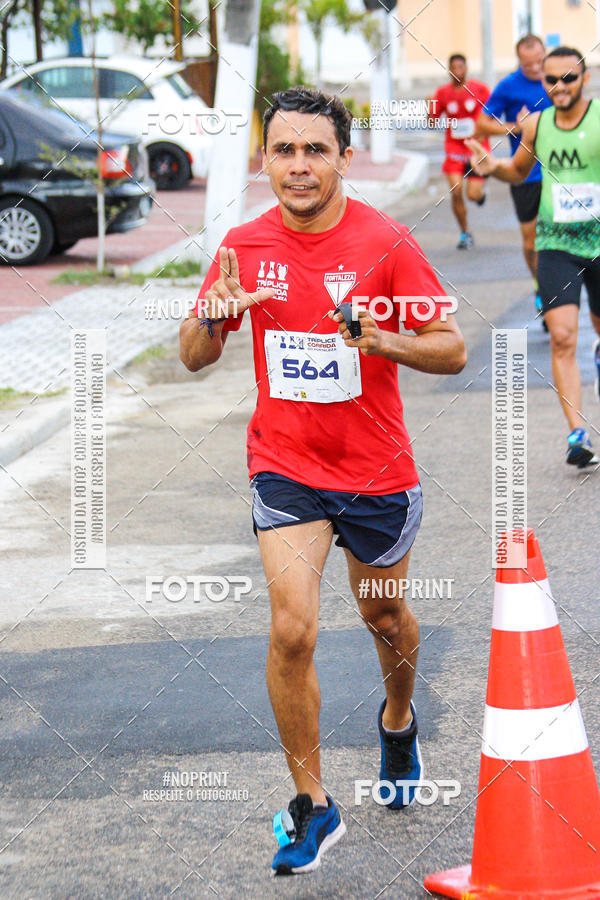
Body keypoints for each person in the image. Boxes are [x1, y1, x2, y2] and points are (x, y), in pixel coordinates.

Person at [180, 87, 467, 874]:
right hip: (286, 465)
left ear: (343, 156)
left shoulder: (385, 242)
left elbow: (452, 347)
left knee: (385, 618)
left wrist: (383, 339)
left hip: (375, 470)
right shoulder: (243, 243)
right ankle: (313, 806)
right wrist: (213, 314)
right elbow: (193, 355)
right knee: (291, 628)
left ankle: (399, 721)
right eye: (283, 150)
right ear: (263, 157)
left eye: (315, 150)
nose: (299, 166)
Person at [468, 47, 600, 468]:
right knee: (562, 337)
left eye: (569, 79)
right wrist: (492, 168)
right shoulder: (537, 124)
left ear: (585, 79)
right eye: (551, 80)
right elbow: (519, 171)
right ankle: (577, 433)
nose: (559, 88)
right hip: (555, 244)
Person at [476, 34, 552, 320]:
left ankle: (562, 288)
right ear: (519, 61)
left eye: (539, 61)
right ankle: (539, 285)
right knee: (531, 242)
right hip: (526, 174)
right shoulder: (509, 86)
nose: (535, 68)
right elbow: (482, 124)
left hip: (560, 173)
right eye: (528, 63)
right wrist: (512, 126)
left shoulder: (558, 79)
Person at [427, 54, 491, 249]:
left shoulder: (480, 89)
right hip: (454, 149)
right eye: (454, 68)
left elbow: (493, 114)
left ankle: (480, 196)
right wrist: (429, 107)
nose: (457, 71)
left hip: (476, 150)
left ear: (466, 68)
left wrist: (484, 130)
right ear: (449, 70)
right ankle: (465, 233)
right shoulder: (443, 93)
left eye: (461, 67)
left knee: (472, 194)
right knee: (456, 191)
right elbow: (432, 122)